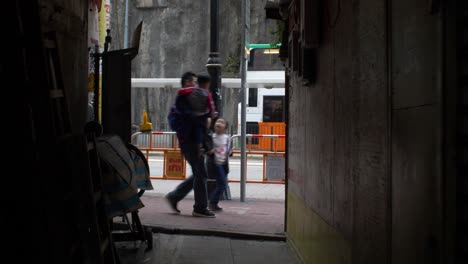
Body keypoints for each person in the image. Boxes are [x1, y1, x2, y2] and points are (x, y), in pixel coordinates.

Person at [165, 72, 215, 218]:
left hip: (192, 142)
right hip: (191, 143)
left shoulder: (188, 101)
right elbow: (192, 122)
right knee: (201, 174)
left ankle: (175, 196)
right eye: (194, 82)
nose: (197, 86)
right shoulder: (183, 103)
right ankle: (199, 207)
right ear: (187, 82)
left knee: (199, 174)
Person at [207, 118, 232, 212]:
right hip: (215, 164)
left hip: (223, 164)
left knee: (222, 184)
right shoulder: (211, 137)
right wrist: (209, 151)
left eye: (222, 122)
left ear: (225, 127)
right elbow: (207, 150)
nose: (219, 123)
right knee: (222, 184)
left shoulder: (227, 138)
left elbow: (229, 150)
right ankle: (212, 202)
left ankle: (214, 203)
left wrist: (230, 152)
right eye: (218, 122)